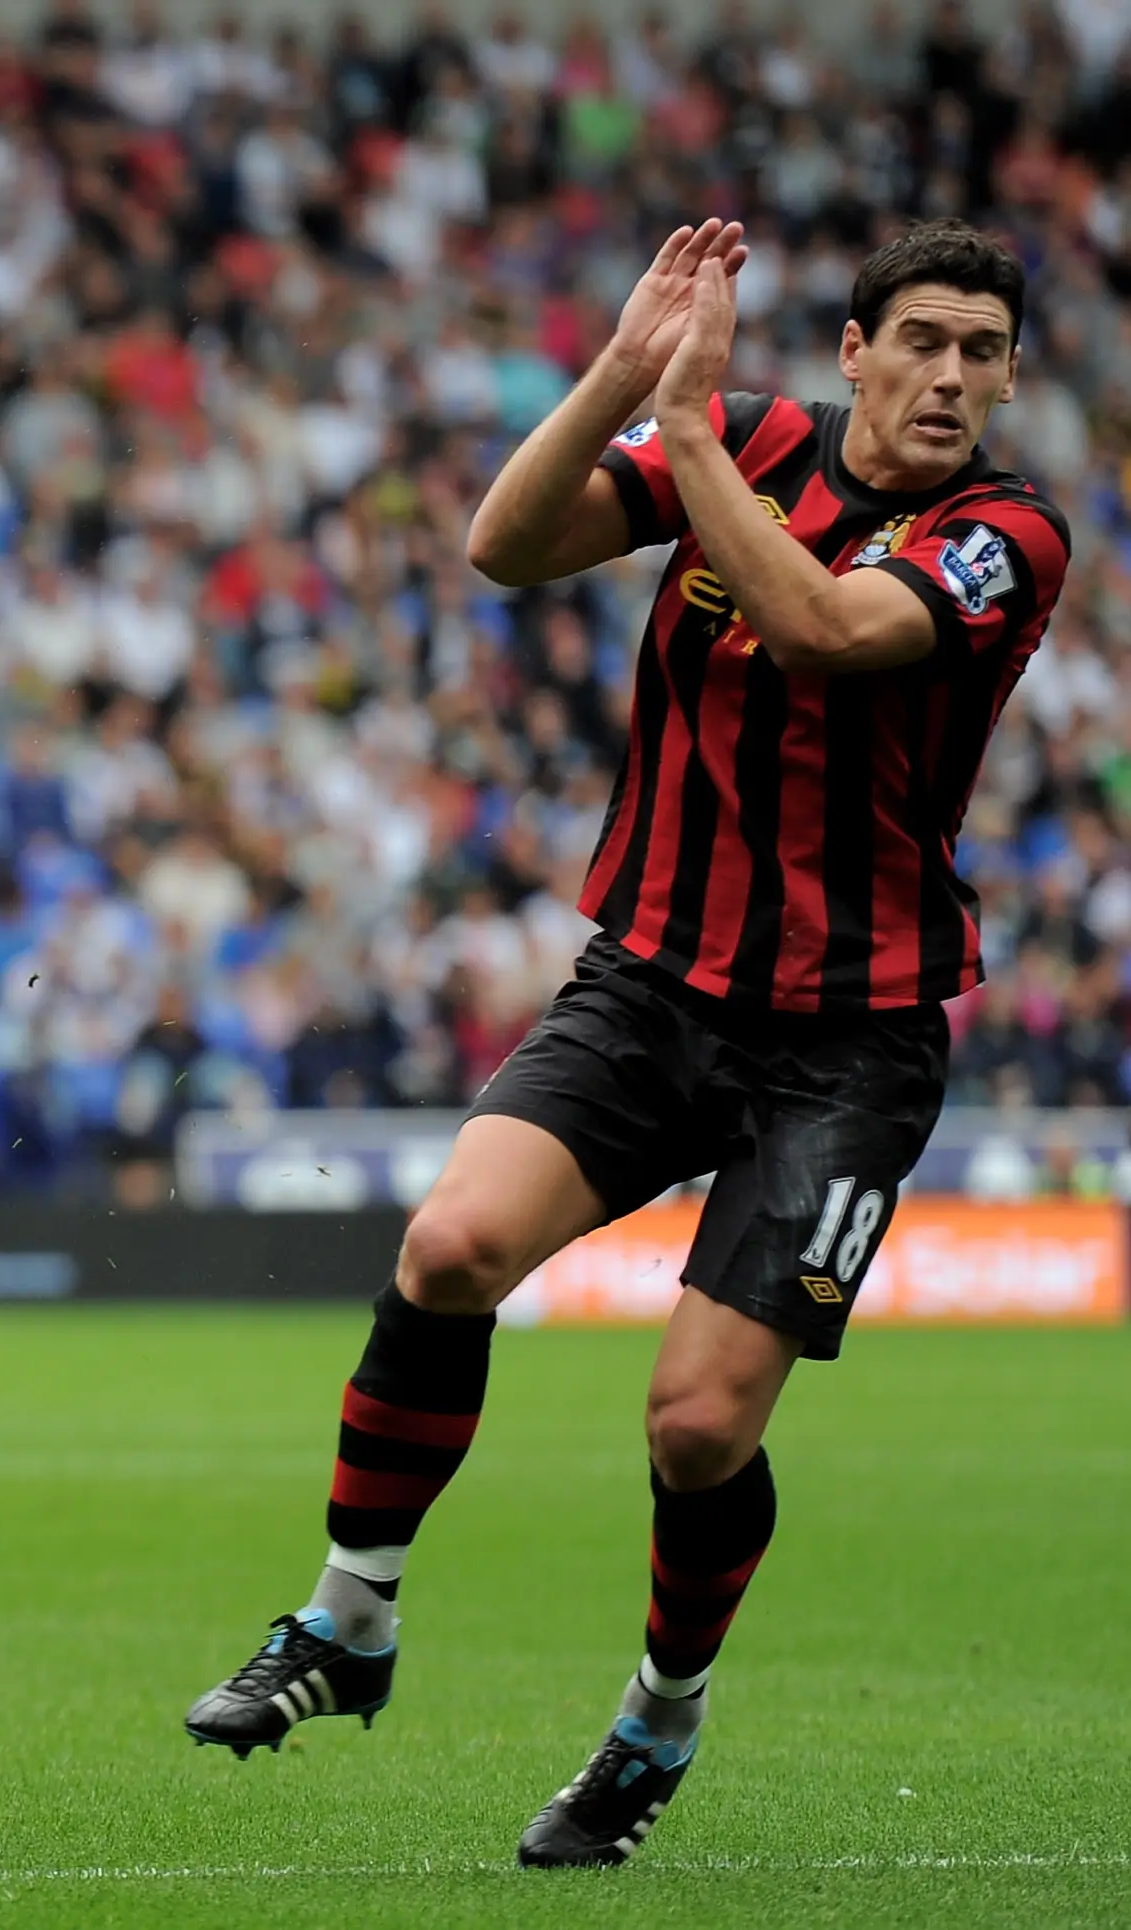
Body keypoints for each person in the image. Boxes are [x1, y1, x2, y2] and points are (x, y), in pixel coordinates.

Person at [184, 217, 1069, 1868]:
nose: (955, 377)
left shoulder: (1007, 535)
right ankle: (347, 1624)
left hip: (849, 1041)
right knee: (449, 1247)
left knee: (695, 1428)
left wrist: (697, 415)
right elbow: (506, 545)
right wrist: (625, 377)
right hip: (652, 981)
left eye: (986, 352)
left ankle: (659, 1719)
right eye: (926, 342)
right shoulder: (761, 440)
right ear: (856, 351)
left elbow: (819, 627)